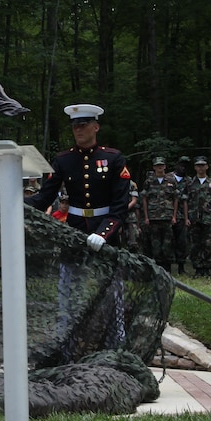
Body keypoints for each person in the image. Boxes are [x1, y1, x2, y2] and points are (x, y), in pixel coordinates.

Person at [24, 104, 132, 352]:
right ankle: (66, 343)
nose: (78, 130)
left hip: (105, 234)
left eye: (83, 125)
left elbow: (119, 207)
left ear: (96, 127)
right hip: (73, 232)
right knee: (68, 290)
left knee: (112, 290)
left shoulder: (114, 159)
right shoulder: (64, 160)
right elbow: (42, 199)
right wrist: (12, 202)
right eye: (74, 126)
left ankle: (117, 346)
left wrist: (104, 234)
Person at [184, 157, 211, 277]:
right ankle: (197, 269)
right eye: (198, 165)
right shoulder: (189, 184)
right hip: (194, 218)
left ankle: (207, 268)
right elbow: (185, 201)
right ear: (195, 167)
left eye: (203, 165)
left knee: (208, 244)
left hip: (208, 218)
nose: (200, 168)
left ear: (207, 167)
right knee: (195, 244)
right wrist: (186, 218)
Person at [141, 157, 178, 271]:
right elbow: (144, 199)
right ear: (154, 167)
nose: (160, 167)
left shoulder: (171, 181)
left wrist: (174, 216)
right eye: (157, 165)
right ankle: (157, 268)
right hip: (153, 217)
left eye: (161, 165)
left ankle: (167, 268)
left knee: (167, 243)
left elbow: (175, 198)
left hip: (167, 216)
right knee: (155, 244)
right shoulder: (149, 181)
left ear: (165, 166)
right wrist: (146, 217)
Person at [170, 156, 191, 274]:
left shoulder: (190, 181)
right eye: (182, 164)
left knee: (182, 242)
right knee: (167, 241)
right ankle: (166, 267)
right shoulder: (168, 178)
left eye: (186, 165)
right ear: (177, 164)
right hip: (165, 214)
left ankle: (181, 267)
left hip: (183, 215)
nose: (183, 167)